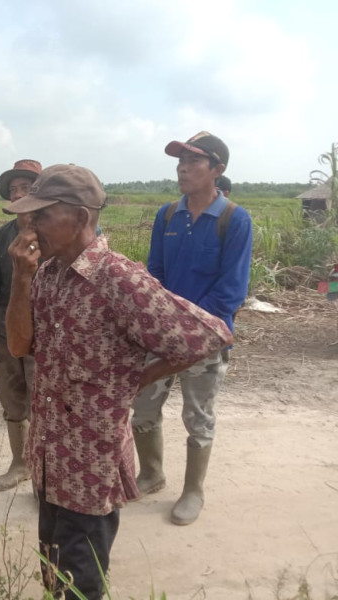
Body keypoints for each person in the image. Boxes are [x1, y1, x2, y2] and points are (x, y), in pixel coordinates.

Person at [3, 164, 233, 599]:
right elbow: (18, 346)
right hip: (50, 461)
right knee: (54, 578)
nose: (31, 228)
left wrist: (133, 380)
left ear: (82, 217)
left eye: (42, 216)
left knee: (81, 586)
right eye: (28, 217)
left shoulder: (118, 278)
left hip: (90, 467)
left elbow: (208, 335)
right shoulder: (48, 274)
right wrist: (21, 276)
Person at [131, 132, 252, 526]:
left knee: (198, 415)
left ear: (217, 169)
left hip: (207, 338)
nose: (182, 167)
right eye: (179, 160)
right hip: (162, 335)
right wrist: (157, 323)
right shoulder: (168, 215)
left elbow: (231, 291)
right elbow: (156, 274)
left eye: (193, 161)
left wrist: (192, 331)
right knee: (143, 406)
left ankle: (193, 491)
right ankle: (151, 474)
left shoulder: (234, 219)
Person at [0, 159, 42, 491]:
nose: (18, 194)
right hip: (5, 334)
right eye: (14, 189)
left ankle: (47, 472)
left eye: (26, 188)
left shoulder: (55, 234)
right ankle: (20, 464)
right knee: (12, 401)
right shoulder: (1, 238)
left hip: (46, 337)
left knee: (45, 404)